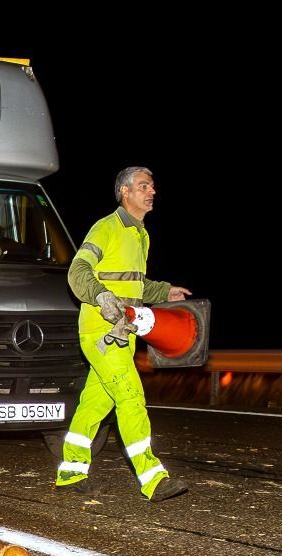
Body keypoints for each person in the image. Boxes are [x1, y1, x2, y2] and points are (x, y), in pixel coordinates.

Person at [53, 166, 191, 501]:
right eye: (144, 185)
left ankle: (71, 472)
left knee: (95, 404)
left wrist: (164, 292)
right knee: (130, 397)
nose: (152, 191)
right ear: (124, 192)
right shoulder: (107, 228)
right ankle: (152, 477)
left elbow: (134, 285)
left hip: (124, 333)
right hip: (101, 332)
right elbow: (78, 270)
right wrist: (100, 296)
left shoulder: (141, 235)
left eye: (153, 186)